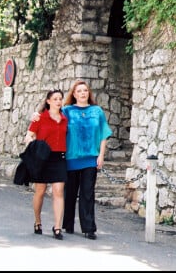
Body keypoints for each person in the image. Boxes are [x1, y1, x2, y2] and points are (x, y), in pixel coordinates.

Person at [36, 79, 112, 240]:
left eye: (85, 90)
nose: (83, 93)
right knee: (69, 193)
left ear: (88, 93)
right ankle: (67, 224)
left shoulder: (97, 111)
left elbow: (103, 134)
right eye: (79, 91)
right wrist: (36, 116)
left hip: (90, 158)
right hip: (70, 158)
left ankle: (89, 228)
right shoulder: (67, 110)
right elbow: (50, 116)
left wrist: (101, 155)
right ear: (74, 94)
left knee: (87, 193)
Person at [24, 89, 68, 240]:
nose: (58, 101)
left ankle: (57, 227)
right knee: (40, 191)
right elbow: (28, 136)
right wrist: (34, 145)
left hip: (59, 157)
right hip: (43, 158)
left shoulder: (65, 118)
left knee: (58, 191)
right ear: (48, 101)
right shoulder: (39, 118)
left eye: (60, 99)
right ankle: (37, 221)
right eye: (55, 99)